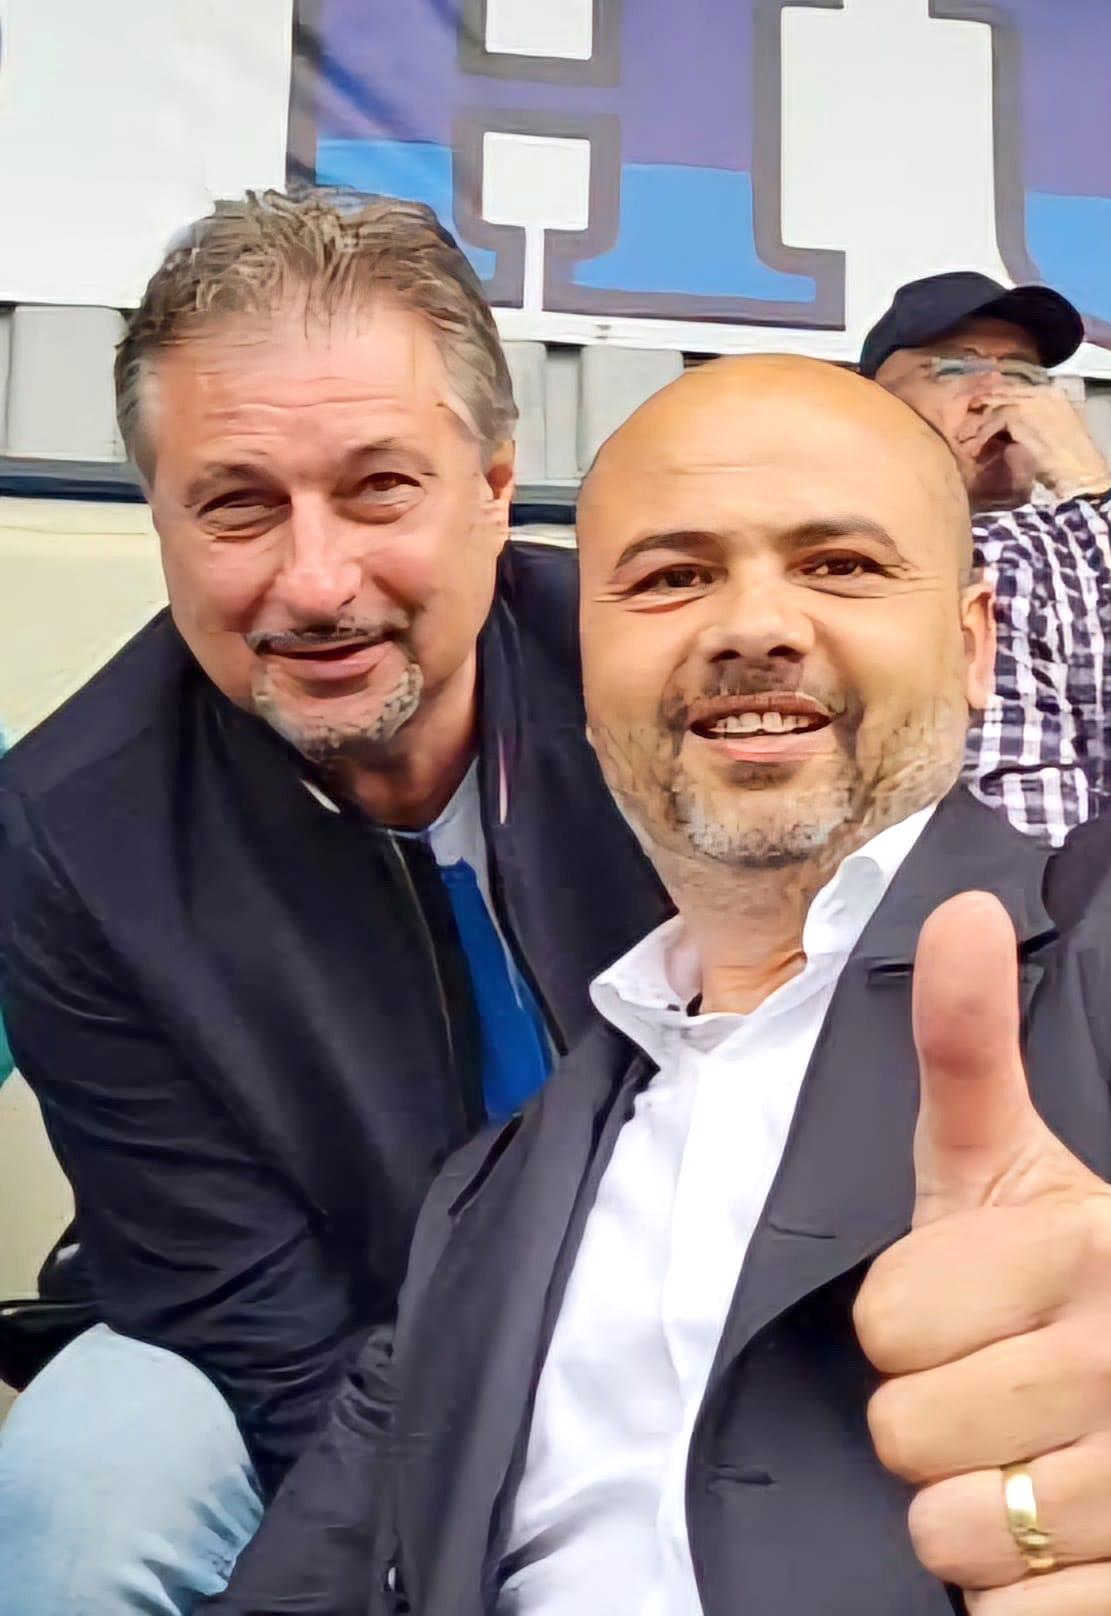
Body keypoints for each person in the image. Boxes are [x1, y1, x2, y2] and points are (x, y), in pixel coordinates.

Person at [211, 354, 1111, 1615]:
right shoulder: (489, 1197)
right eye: (671, 577)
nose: (752, 624)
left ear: (971, 644)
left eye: (838, 565)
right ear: (586, 668)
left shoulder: (1097, 948)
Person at [0, 190, 667, 1615]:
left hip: (674, 1316)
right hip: (314, 1332)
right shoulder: (69, 833)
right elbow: (239, 1298)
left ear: (495, 485)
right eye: (238, 504)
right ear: (161, 520)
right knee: (84, 1490)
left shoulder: (664, 689)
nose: (315, 583)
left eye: (378, 489)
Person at [862, 270, 1111, 846]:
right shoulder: (851, 559)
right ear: (875, 405)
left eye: (1025, 374)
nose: (996, 396)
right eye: (956, 368)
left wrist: (1090, 489)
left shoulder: (1083, 531)